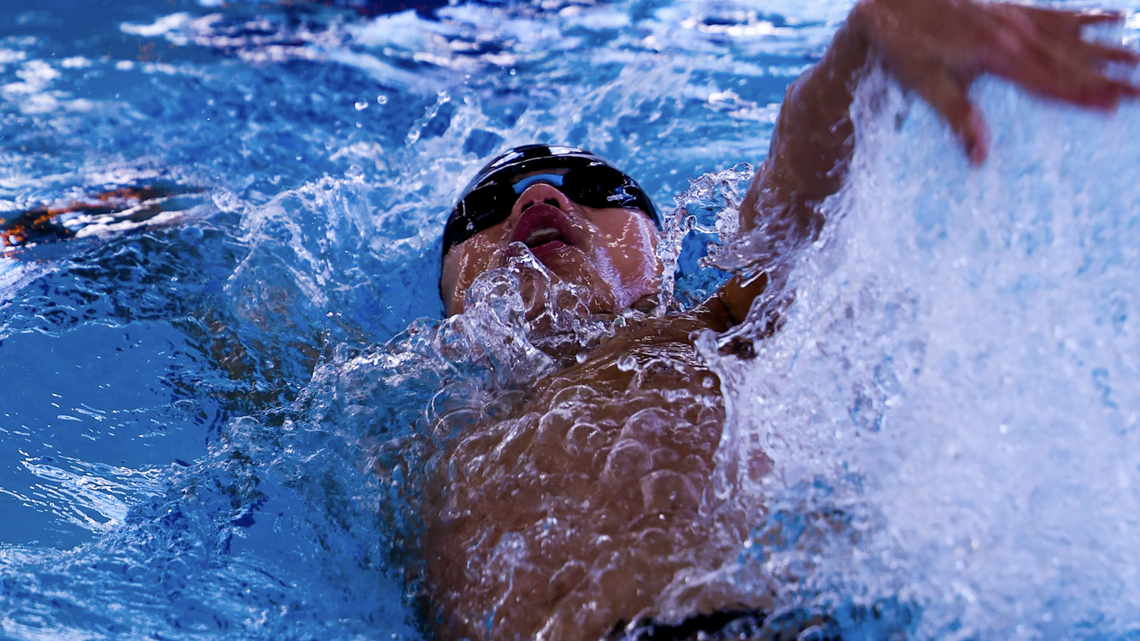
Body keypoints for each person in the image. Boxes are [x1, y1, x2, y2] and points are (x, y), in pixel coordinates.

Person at [420, 0, 1140, 639]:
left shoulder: (710, 330)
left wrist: (867, 46)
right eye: (484, 211)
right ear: (452, 294)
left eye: (597, 188)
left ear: (662, 255)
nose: (539, 196)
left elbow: (790, 212)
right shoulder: (390, 414)